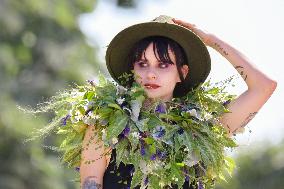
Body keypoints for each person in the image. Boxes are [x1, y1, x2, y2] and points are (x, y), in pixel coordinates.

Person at [79, 15, 277, 189]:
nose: (150, 74)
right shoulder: (107, 124)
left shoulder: (204, 130)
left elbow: (264, 86)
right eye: (142, 64)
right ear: (133, 70)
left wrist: (210, 40)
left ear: (182, 72)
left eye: (163, 65)